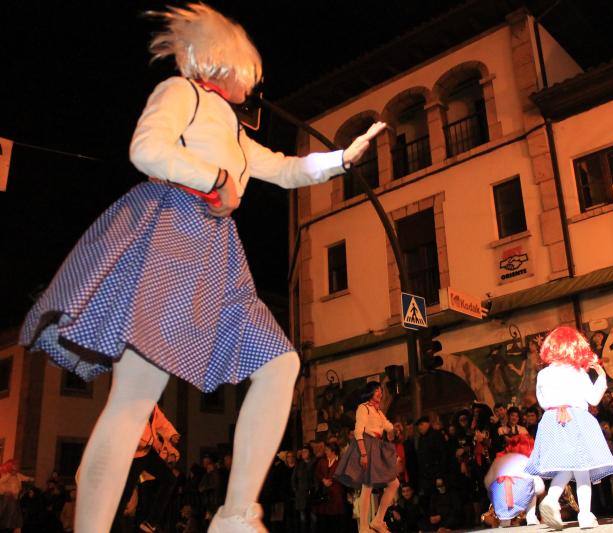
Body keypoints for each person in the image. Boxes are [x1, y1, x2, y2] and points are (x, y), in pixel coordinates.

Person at [18, 4, 384, 532]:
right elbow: (146, 150)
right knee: (133, 399)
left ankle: (235, 515)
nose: (252, 86)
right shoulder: (180, 93)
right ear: (221, 63)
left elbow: (283, 168)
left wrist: (341, 160)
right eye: (248, 75)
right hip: (170, 234)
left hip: (218, 256)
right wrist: (214, 177)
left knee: (281, 365)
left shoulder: (233, 131)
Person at [525, 326, 613, 530]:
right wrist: (601, 376)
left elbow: (542, 402)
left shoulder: (543, 374)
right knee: (582, 467)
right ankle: (585, 513)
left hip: (551, 420)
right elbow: (593, 398)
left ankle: (552, 497)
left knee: (568, 465)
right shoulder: (577, 372)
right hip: (577, 419)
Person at [335, 382, 399, 533]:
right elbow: (358, 431)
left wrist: (394, 430)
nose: (379, 393)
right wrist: (363, 453)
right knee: (367, 485)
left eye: (380, 390)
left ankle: (377, 520)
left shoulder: (378, 411)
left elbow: (388, 427)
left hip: (377, 445)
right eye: (376, 390)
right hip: (367, 444)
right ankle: (364, 526)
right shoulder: (363, 408)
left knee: (393, 483)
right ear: (370, 392)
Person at [118, 404, 180, 532]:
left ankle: (151, 522)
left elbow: (161, 421)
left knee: (170, 479)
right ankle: (112, 524)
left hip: (147, 453)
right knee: (126, 494)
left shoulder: (153, 406)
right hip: (135, 456)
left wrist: (172, 434)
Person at [481, 434, 544, 528]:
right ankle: (531, 517)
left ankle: (505, 520)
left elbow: (487, 482)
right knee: (534, 484)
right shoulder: (526, 460)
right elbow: (540, 487)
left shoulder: (499, 460)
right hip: (520, 494)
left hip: (501, 498)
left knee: (500, 490)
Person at [313, 442, 348, 532]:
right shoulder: (322, 461)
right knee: (325, 518)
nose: (325, 452)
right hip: (325, 494)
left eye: (327, 450)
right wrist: (323, 480)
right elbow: (317, 473)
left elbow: (344, 474)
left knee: (336, 518)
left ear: (333, 451)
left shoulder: (340, 461)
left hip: (337, 492)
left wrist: (332, 480)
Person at [0, 460, 31, 533]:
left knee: (14, 513)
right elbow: (1, 482)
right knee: (8, 512)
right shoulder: (6, 475)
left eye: (16, 468)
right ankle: (7, 525)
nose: (15, 470)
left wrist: (30, 478)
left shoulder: (18, 475)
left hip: (15, 497)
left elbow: (24, 478)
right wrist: (9, 475)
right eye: (13, 468)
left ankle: (12, 526)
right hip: (7, 497)